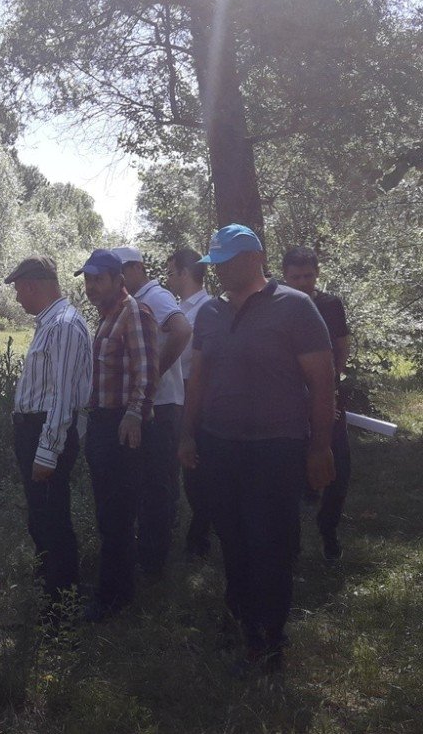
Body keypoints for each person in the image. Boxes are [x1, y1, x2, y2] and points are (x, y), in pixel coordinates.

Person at [179, 224, 335, 673]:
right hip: (220, 445)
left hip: (277, 448)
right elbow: (199, 379)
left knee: (272, 542)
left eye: (228, 262)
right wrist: (188, 433)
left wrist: (320, 447)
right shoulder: (209, 312)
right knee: (232, 536)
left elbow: (322, 382)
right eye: (216, 264)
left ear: (255, 258)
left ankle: (269, 637)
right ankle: (241, 620)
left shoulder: (295, 307)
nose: (221, 272)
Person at [5, 255, 92, 613]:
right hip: (37, 432)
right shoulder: (51, 323)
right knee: (40, 521)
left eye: (18, 290)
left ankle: (60, 611)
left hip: (46, 435)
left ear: (32, 285)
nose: (16, 299)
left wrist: (47, 451)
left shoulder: (64, 325)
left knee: (53, 523)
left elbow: (63, 396)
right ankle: (50, 599)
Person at [75, 249, 158, 621]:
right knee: (108, 513)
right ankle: (114, 589)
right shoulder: (108, 316)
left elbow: (147, 371)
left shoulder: (134, 313)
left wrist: (134, 414)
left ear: (116, 279)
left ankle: (115, 599)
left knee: (119, 514)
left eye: (98, 279)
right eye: (88, 280)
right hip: (103, 424)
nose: (91, 287)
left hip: (122, 427)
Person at [112, 246, 192, 578]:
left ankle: (154, 565)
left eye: (118, 274)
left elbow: (183, 330)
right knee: (151, 483)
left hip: (161, 404)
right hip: (154, 403)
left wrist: (152, 374)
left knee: (157, 484)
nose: (115, 281)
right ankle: (150, 556)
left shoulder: (153, 296)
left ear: (135, 269)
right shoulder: (136, 299)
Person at [282, 246, 352, 561]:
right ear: (284, 276)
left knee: (340, 468)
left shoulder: (330, 305)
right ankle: (290, 543)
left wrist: (329, 385)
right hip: (288, 402)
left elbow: (342, 346)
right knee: (289, 473)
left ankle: (328, 528)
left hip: (327, 397)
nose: (302, 282)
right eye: (295, 277)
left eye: (308, 276)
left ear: (317, 273)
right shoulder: (276, 306)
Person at [165, 248, 213, 558]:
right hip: (176, 393)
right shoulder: (179, 307)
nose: (167, 278)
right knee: (183, 467)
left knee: (197, 468)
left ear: (184, 273)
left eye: (170, 272)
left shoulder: (205, 310)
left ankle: (201, 536)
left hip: (198, 394)